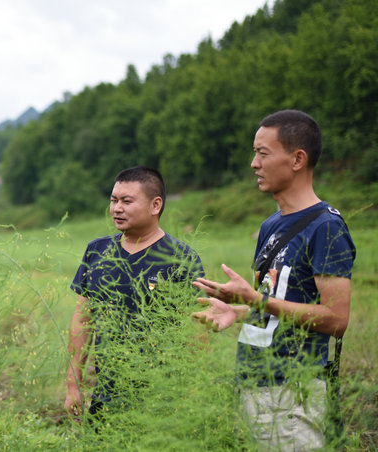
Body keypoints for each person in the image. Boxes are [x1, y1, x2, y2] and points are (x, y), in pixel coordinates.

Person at [192, 109, 355, 450]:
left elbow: (337, 319)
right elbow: (272, 311)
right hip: (255, 385)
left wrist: (254, 300)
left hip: (292, 392)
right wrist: (237, 311)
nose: (254, 163)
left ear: (297, 159)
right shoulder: (270, 226)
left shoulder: (325, 227)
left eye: (263, 153)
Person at [64, 166, 204, 420]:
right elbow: (82, 318)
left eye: (127, 201)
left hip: (161, 395)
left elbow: (196, 329)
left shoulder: (181, 258)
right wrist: (74, 382)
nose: (117, 208)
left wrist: (190, 389)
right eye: (113, 200)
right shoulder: (97, 251)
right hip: (106, 393)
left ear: (155, 205)